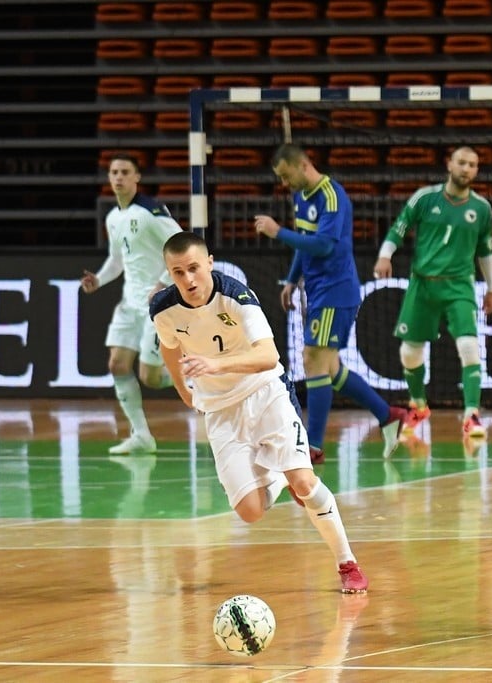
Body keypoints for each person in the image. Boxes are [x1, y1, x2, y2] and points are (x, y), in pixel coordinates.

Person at [150, 231, 368, 593]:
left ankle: (347, 564)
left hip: (266, 393)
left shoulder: (236, 296)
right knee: (250, 511)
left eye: (193, 268)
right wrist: (182, 389)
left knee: (306, 483)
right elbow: (169, 346)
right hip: (220, 411)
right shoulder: (163, 309)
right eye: (177, 272)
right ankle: (280, 476)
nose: (188, 279)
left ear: (209, 263)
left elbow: (269, 356)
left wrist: (216, 366)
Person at [253, 143, 406, 463]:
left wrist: (277, 231)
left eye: (285, 176)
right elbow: (304, 242)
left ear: (303, 165)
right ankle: (388, 415)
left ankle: (314, 446)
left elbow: (322, 246)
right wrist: (292, 279)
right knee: (331, 368)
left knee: (313, 360)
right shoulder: (300, 196)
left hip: (336, 291)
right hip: (318, 290)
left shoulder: (332, 196)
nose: (284, 184)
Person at [372, 146, 492, 439]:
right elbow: (398, 228)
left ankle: (472, 415)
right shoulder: (425, 198)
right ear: (449, 164)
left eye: (473, 165)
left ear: (477, 171)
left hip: (459, 285)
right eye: (462, 163)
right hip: (423, 284)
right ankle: (418, 405)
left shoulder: (481, 208)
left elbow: (485, 251)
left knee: (469, 347)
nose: (467, 169)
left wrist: (491, 287)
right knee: (409, 353)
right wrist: (385, 255)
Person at [81, 153, 182, 454]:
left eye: (125, 172)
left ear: (137, 177)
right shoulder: (113, 217)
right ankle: (141, 435)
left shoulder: (151, 211)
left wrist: (163, 282)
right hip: (129, 304)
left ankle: (191, 376)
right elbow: (117, 260)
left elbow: (183, 245)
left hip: (158, 305)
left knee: (149, 377)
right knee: (117, 364)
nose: (118, 177)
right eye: (114, 172)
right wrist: (98, 280)